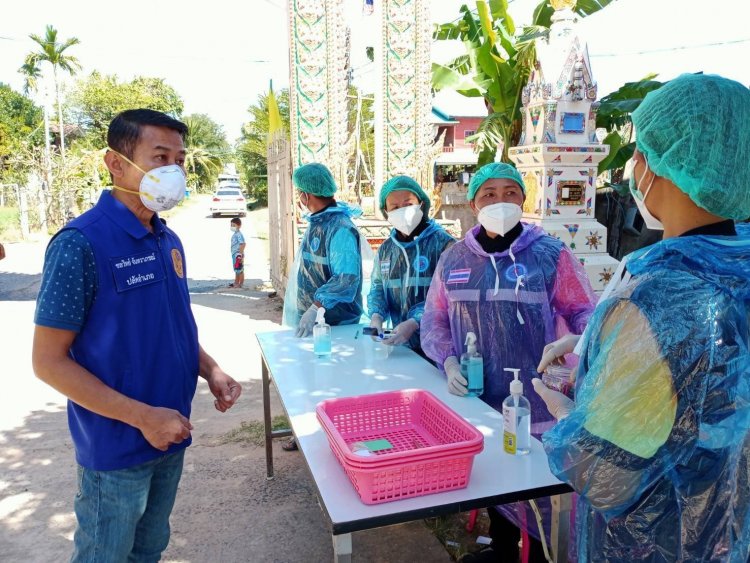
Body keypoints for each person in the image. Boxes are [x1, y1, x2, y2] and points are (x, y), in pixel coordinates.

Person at [533, 73, 750, 562]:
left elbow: (605, 479)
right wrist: (601, 353)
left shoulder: (658, 299)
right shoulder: (735, 268)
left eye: (639, 151)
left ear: (660, 165)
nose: (632, 166)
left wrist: (573, 418)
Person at [31, 109, 242, 562]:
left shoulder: (167, 240)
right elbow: (48, 362)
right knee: (105, 555)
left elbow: (170, 326)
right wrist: (142, 417)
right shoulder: (80, 244)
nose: (174, 171)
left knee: (149, 549)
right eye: (160, 156)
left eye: (180, 159)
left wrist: (210, 369)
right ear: (116, 163)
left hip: (170, 432)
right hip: (117, 446)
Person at [421, 162, 597, 562]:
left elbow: (584, 308)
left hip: (537, 399)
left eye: (510, 193)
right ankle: (501, 551)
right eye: (488, 194)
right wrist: (448, 362)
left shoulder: (551, 254)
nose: (499, 202)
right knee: (494, 484)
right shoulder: (453, 259)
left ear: (524, 198)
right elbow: (434, 319)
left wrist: (582, 337)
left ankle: (540, 556)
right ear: (472, 202)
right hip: (479, 400)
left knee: (538, 492)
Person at [281, 162, 366, 451]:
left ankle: (339, 440)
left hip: (336, 323)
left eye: (299, 193)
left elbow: (346, 278)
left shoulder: (339, 228)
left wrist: (317, 305)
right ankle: (310, 433)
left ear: (307, 194)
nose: (298, 198)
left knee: (335, 384)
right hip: (315, 322)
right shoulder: (319, 222)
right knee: (310, 379)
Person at [367, 175, 454, 356]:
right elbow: (378, 288)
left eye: (408, 204)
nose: (402, 211)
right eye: (395, 207)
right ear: (386, 212)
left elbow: (448, 296)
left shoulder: (444, 244)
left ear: (421, 204)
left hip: (441, 350)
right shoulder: (386, 250)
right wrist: (376, 316)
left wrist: (416, 321)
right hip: (403, 349)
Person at [229, 216, 246, 288]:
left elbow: (243, 244)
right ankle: (236, 282)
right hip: (234, 254)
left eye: (234, 225)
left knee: (240, 269)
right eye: (231, 225)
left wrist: (240, 254)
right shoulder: (235, 234)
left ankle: (240, 283)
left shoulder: (239, 234)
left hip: (238, 254)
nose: (232, 227)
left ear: (239, 226)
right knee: (236, 269)